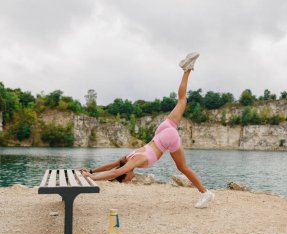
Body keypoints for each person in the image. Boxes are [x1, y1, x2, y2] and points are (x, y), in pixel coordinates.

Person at [80, 52, 215, 208]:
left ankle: (205, 193)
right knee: (182, 99)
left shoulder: (132, 162)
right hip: (163, 130)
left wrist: (91, 177)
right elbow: (111, 165)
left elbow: (114, 172)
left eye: (127, 180)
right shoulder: (128, 157)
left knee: (182, 167)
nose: (130, 180)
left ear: (126, 174)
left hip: (166, 137)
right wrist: (91, 170)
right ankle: (187, 69)